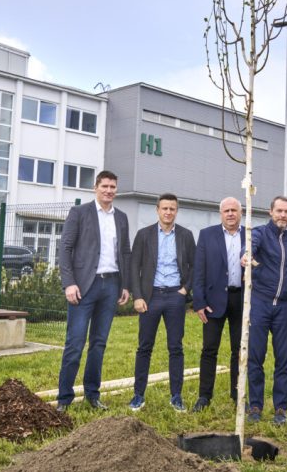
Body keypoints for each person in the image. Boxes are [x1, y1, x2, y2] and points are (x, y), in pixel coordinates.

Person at [55, 170, 131, 411]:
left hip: (111, 285)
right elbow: (65, 248)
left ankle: (92, 394)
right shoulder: (79, 213)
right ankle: (64, 398)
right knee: (75, 343)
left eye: (112, 187)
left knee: (98, 343)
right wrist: (69, 283)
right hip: (83, 286)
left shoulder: (121, 217)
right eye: (104, 186)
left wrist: (125, 284)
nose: (109, 190)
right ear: (95, 188)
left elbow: (125, 252)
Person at [128, 193, 196, 412]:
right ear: (157, 210)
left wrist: (185, 290)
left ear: (177, 211)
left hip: (176, 296)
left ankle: (176, 396)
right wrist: (138, 296)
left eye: (172, 209)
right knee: (144, 347)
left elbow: (195, 266)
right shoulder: (144, 234)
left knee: (175, 347)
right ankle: (138, 395)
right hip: (151, 297)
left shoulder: (185, 235)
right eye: (164, 208)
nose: (168, 212)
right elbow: (134, 266)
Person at [245, 196, 287, 426]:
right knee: (255, 356)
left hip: (283, 306)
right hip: (260, 303)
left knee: (284, 358)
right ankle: (255, 405)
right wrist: (246, 255)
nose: (283, 215)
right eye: (279, 211)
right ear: (270, 211)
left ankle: (281, 407)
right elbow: (250, 246)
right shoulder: (259, 233)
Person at [191, 196, 245, 412]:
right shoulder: (207, 235)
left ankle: (238, 394)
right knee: (209, 349)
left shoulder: (251, 235)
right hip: (213, 301)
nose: (230, 214)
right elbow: (199, 270)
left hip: (241, 300)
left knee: (239, 350)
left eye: (234, 210)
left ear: (240, 213)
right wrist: (199, 302)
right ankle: (204, 396)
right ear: (220, 213)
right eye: (226, 210)